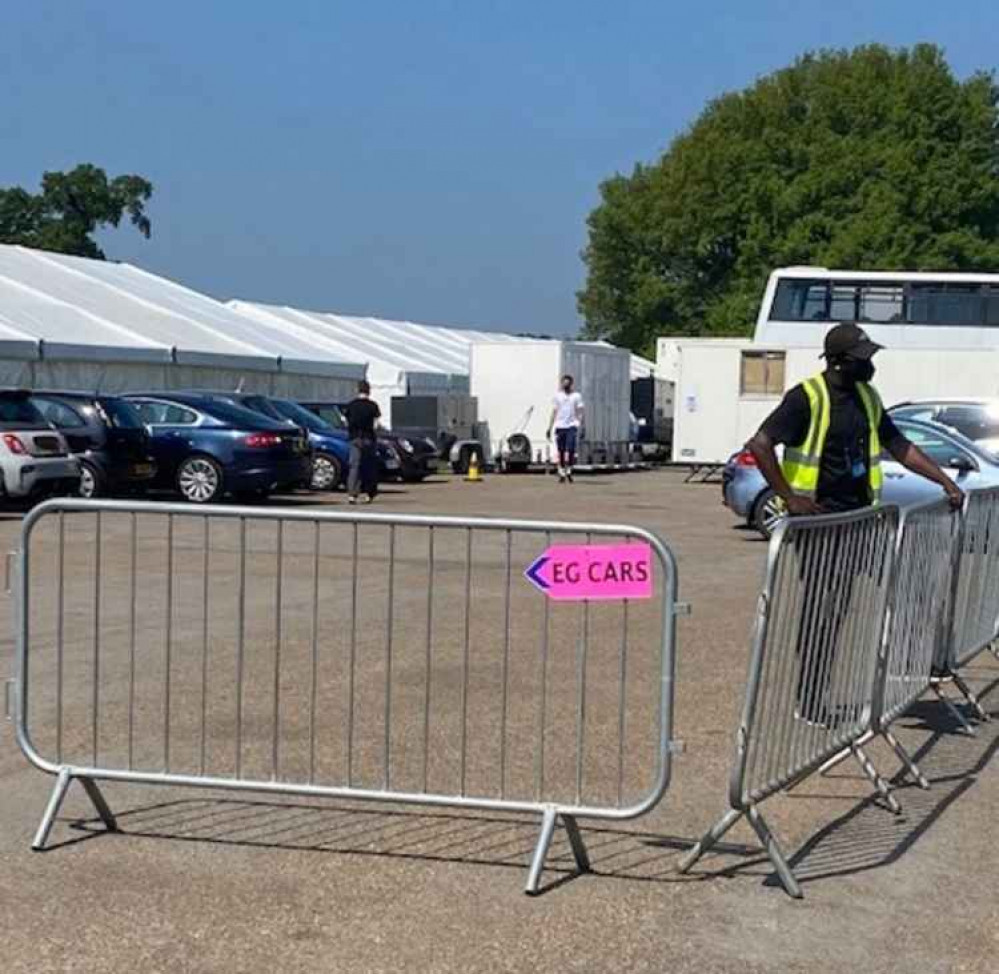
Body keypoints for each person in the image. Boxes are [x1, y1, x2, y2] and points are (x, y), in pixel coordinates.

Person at [747, 322, 964, 725]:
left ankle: (921, 665)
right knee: (822, 611)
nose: (871, 365)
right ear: (839, 362)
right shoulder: (806, 398)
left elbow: (899, 445)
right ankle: (810, 699)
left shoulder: (867, 396)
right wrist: (789, 497)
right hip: (820, 523)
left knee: (904, 585)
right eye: (864, 359)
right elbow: (760, 445)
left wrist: (945, 481)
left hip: (861, 518)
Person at [344, 380, 381, 504]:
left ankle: (352, 494)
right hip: (368, 438)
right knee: (369, 466)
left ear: (358, 390)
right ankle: (369, 493)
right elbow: (376, 424)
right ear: (369, 391)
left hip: (355, 438)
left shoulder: (351, 405)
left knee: (354, 466)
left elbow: (345, 421)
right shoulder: (373, 406)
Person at [547, 374, 584, 483]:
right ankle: (562, 471)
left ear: (571, 384)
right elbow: (554, 412)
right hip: (560, 425)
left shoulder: (576, 396)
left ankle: (569, 469)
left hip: (572, 425)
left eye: (567, 383)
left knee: (571, 448)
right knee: (561, 450)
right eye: (564, 383)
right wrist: (550, 427)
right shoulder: (558, 396)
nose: (565, 385)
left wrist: (582, 425)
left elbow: (580, 411)